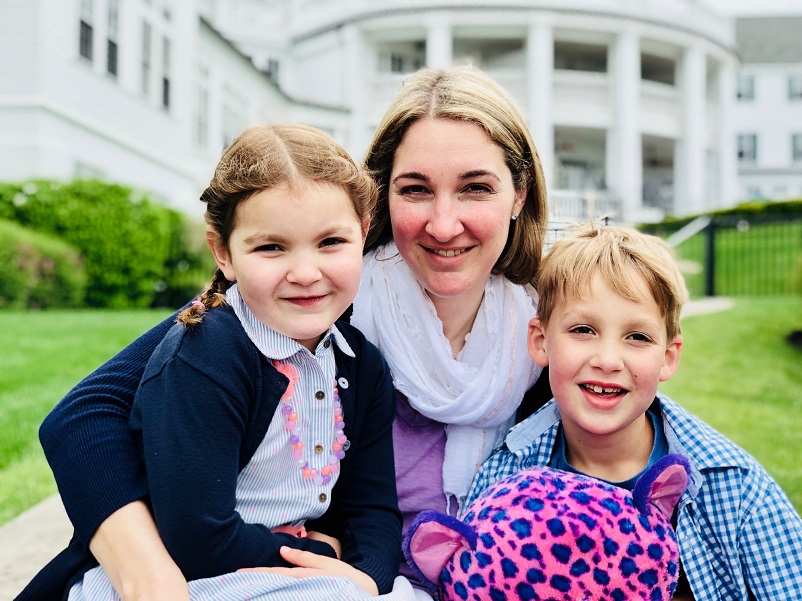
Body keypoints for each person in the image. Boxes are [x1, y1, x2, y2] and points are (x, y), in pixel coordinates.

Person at [20, 65, 551, 601]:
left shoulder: (545, 328)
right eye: (414, 189)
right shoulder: (306, 301)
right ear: (380, 198)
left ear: (519, 193)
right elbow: (83, 418)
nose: (443, 223)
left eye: (476, 188)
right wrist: (148, 572)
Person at [20, 124, 402, 600]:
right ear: (223, 252)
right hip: (188, 573)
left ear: (363, 234)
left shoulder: (360, 365)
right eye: (271, 247)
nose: (306, 273)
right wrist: (324, 558)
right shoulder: (208, 356)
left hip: (270, 568)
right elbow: (198, 535)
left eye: (331, 243)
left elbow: (374, 506)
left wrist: (368, 574)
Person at [467, 223, 802, 600]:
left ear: (668, 357)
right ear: (541, 341)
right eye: (582, 330)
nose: (608, 361)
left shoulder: (733, 487)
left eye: (637, 337)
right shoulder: (503, 478)